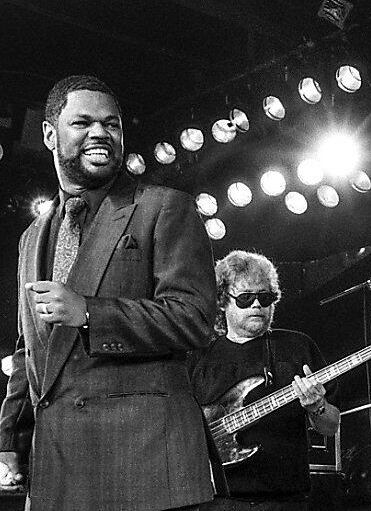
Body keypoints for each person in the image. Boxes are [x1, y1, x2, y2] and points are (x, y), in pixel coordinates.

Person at [0, 75, 222, 510]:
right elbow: (32, 349)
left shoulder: (164, 206)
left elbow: (195, 317)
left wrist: (90, 313)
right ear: (49, 134)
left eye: (112, 124)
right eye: (82, 122)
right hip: (57, 471)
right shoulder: (31, 237)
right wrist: (10, 436)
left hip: (144, 467)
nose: (100, 133)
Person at [188, 250, 340, 510]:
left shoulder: (298, 347)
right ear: (223, 301)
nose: (257, 305)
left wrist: (317, 407)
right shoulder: (198, 357)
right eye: (246, 298)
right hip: (217, 500)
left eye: (265, 297)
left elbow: (331, 425)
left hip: (286, 500)